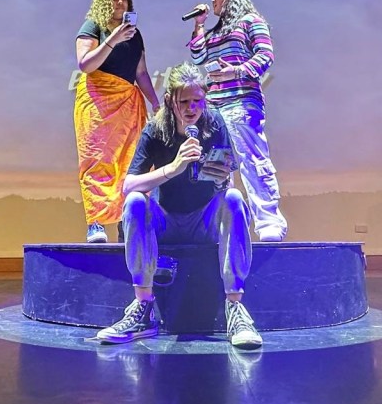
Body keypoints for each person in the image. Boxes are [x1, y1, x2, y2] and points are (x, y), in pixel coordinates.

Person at [96, 63, 263, 350]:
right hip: (167, 222)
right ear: (170, 100)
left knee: (234, 199)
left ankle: (235, 308)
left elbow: (229, 182)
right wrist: (173, 168)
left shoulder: (214, 123)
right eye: (184, 101)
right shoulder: (156, 128)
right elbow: (129, 185)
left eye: (197, 100)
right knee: (135, 201)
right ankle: (143, 309)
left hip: (203, 221)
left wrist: (221, 179)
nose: (192, 108)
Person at [188, 0, 287, 242]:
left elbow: (265, 55)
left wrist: (236, 71)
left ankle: (269, 222)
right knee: (216, 165)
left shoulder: (251, 21)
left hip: (241, 101)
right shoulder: (215, 31)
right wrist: (199, 24)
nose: (212, 0)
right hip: (214, 106)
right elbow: (198, 56)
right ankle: (223, 225)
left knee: (252, 161)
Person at [75, 0, 160, 243]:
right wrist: (113, 39)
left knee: (130, 162)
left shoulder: (135, 34)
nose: (120, 2)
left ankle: (127, 222)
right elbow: (85, 64)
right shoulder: (93, 26)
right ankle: (96, 223)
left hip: (128, 104)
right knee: (97, 160)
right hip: (97, 102)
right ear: (104, 1)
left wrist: (156, 103)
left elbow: (141, 73)